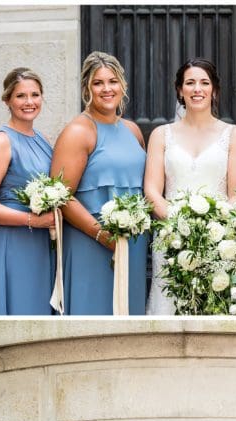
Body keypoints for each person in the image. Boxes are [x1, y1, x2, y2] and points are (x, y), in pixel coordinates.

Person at [144, 59, 236, 314]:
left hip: (218, 240)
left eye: (204, 82)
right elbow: (151, 190)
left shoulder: (234, 135)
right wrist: (181, 226)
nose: (197, 89)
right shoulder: (161, 134)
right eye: (190, 83)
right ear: (180, 90)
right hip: (172, 239)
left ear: (214, 90)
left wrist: (211, 227)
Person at [50, 51, 147, 314]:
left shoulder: (132, 130)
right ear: (86, 88)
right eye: (98, 82)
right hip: (90, 242)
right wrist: (104, 237)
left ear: (123, 86)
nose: (107, 89)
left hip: (132, 245)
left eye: (113, 81)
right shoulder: (78, 131)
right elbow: (61, 196)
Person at [0, 67, 55, 314]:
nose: (29, 102)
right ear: (7, 99)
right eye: (21, 96)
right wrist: (32, 220)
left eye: (35, 95)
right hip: (10, 242)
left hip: (37, 242)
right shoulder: (0, 142)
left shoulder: (41, 139)